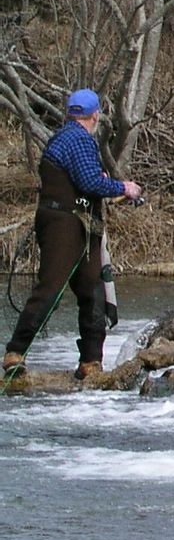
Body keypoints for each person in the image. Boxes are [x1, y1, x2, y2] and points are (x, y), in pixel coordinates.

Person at [5, 89, 144, 382]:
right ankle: (15, 353)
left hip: (72, 223)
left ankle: (90, 362)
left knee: (92, 289)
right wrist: (124, 188)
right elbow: (89, 182)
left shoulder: (64, 137)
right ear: (95, 116)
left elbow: (83, 179)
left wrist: (102, 182)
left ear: (71, 114)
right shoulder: (80, 140)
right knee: (51, 288)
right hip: (65, 224)